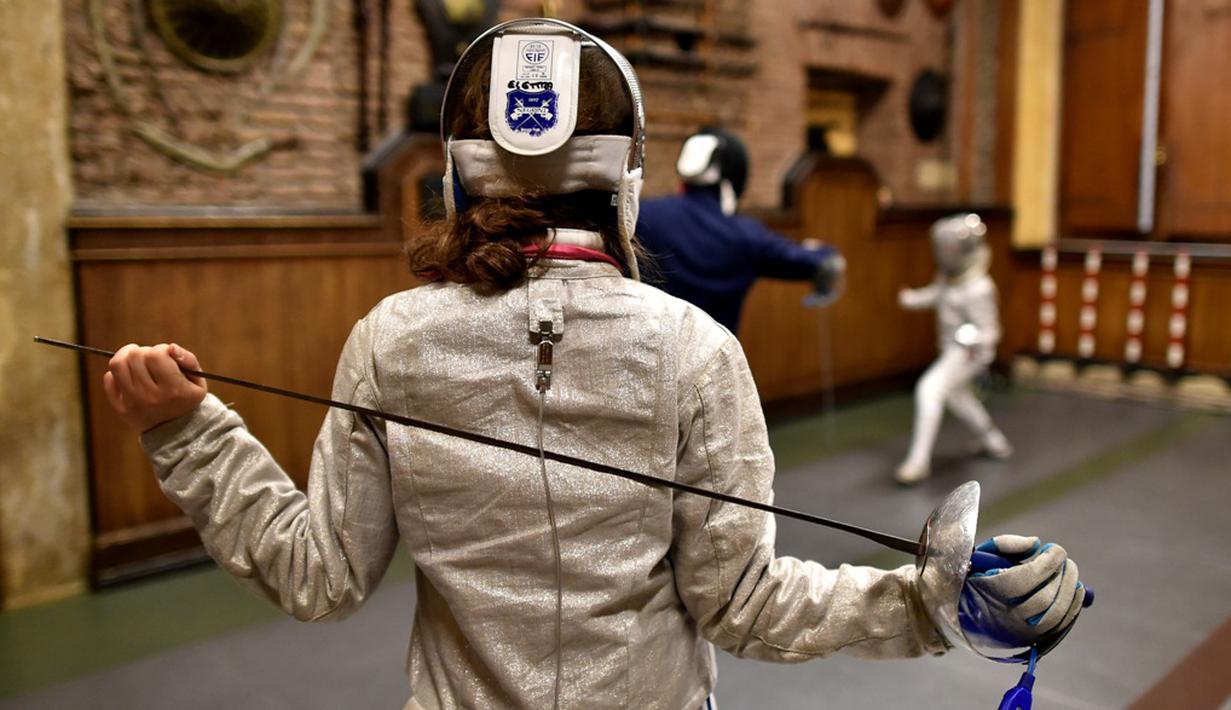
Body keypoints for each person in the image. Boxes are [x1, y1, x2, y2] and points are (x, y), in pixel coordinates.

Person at [102, 20, 1083, 709]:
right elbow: (740, 602)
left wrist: (189, 433)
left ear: (455, 173)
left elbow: (317, 574)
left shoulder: (391, 337)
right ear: (626, 181)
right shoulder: (696, 348)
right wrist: (925, 595)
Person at [635, 127, 846, 333]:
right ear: (735, 177)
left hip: (647, 357)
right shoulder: (745, 236)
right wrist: (818, 251)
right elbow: (825, 264)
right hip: (715, 363)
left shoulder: (642, 215)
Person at [895, 213, 1014, 485]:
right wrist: (909, 299)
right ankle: (995, 442)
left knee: (929, 389)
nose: (944, 254)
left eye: (948, 248)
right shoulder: (949, 277)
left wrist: (969, 339)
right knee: (959, 397)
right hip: (952, 351)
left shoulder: (980, 287)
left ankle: (918, 461)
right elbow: (936, 295)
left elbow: (990, 332)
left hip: (969, 353)